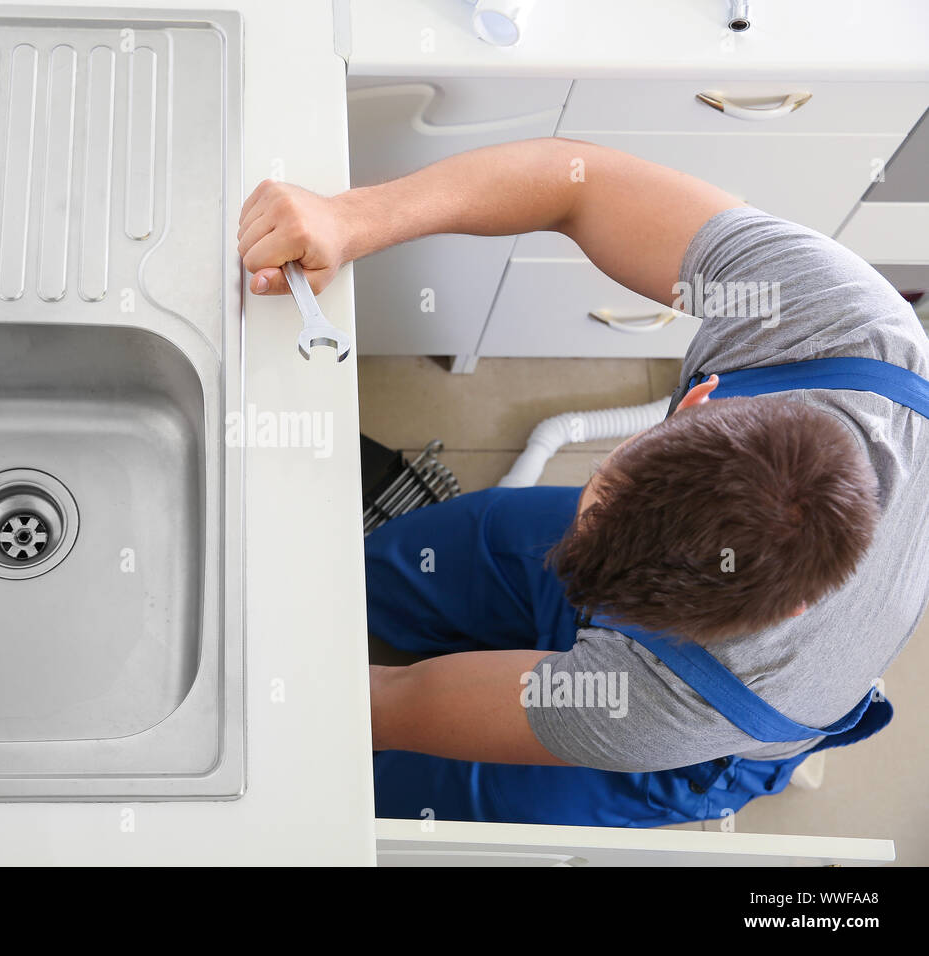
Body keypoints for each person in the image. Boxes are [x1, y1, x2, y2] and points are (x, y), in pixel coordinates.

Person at [237, 138, 929, 827]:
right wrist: (352, 219)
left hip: (695, 729)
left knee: (402, 787)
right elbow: (578, 185)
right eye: (600, 502)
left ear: (785, 611)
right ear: (695, 405)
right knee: (405, 561)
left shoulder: (670, 709)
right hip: (700, 580)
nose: (573, 552)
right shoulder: (826, 316)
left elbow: (392, 708)